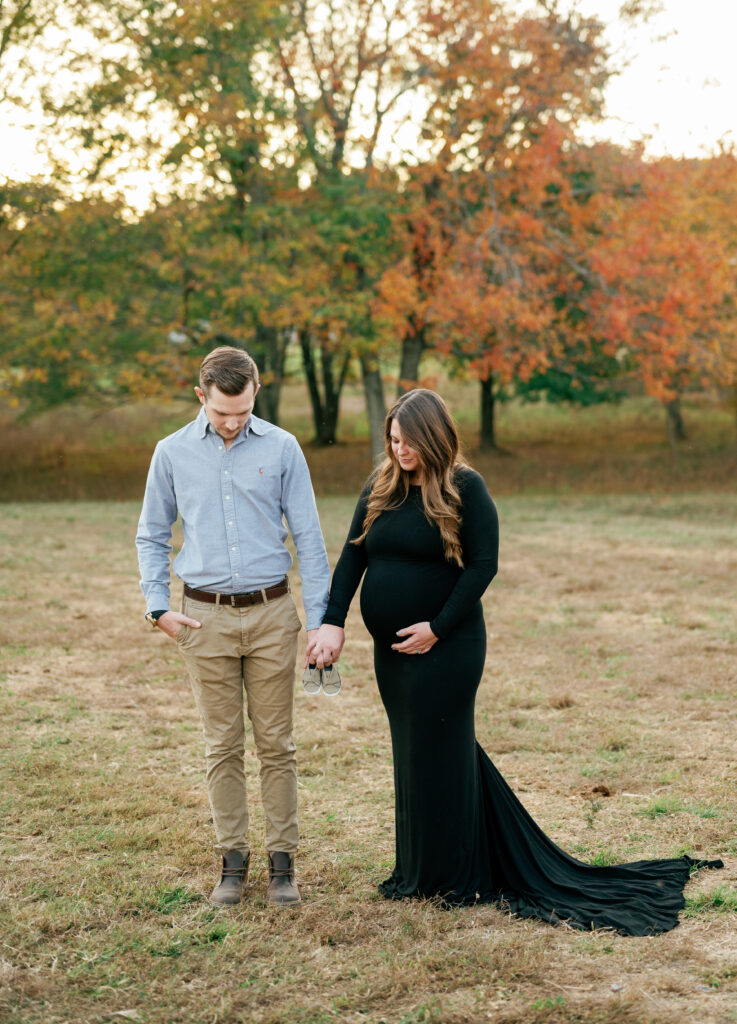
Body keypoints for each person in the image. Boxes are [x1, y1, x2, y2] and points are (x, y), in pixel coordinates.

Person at [308, 388, 722, 935]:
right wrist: (332, 621)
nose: (398, 449)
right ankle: (419, 871)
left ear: (431, 437)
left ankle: (453, 878)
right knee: (416, 752)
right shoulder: (380, 484)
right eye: (391, 439)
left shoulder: (465, 487)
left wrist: (437, 627)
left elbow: (483, 565)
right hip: (393, 654)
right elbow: (355, 554)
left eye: (407, 441)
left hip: (448, 647)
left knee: (441, 747)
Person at [136, 346, 331, 907]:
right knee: (221, 745)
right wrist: (158, 607)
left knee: (277, 745)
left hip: (273, 615)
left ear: (255, 394)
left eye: (243, 411)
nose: (232, 422)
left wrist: (319, 621)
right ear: (203, 396)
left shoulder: (284, 448)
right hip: (204, 618)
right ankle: (232, 862)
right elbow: (151, 534)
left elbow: (311, 541)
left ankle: (283, 866)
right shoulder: (170, 453)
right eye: (223, 411)